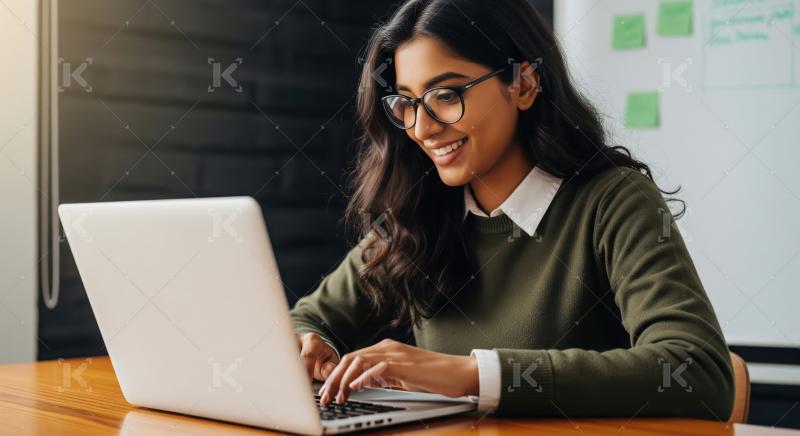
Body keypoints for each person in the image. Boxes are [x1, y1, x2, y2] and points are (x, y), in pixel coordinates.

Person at [290, 0, 733, 420]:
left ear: (522, 84)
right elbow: (308, 319)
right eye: (407, 103)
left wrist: (472, 375)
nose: (422, 129)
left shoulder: (613, 202)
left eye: (445, 94)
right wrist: (310, 342)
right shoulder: (421, 214)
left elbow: (696, 370)